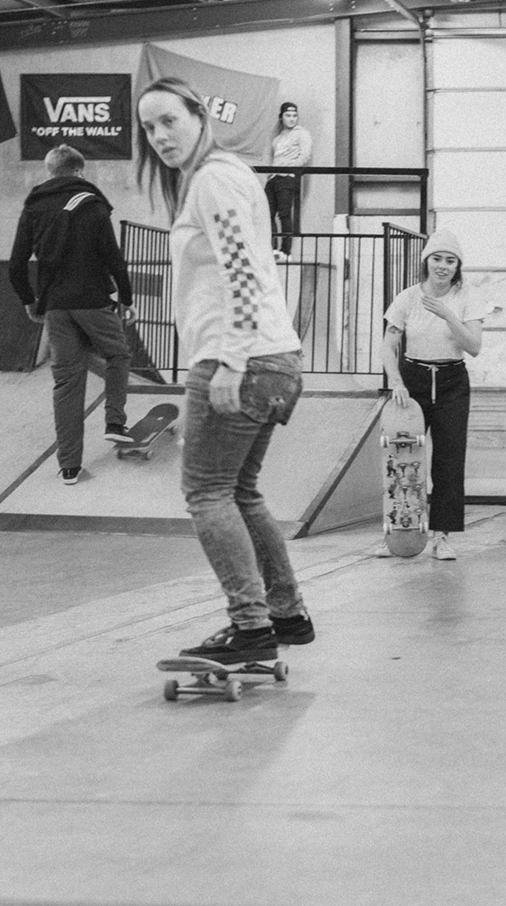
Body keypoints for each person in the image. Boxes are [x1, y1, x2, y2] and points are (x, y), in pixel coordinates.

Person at [136, 77, 313, 663]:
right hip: (273, 355)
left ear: (198, 116)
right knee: (238, 490)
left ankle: (250, 626)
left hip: (241, 356)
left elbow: (242, 270)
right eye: (149, 127)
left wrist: (232, 360)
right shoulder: (224, 176)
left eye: (169, 120)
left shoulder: (213, 177)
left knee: (205, 492)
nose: (160, 135)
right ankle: (284, 614)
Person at [8, 143, 139, 486]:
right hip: (93, 300)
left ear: (50, 172)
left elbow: (16, 263)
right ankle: (114, 423)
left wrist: (29, 299)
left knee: (67, 383)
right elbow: (113, 256)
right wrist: (125, 296)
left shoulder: (34, 206)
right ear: (79, 171)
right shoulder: (92, 204)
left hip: (56, 306)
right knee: (118, 354)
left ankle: (69, 467)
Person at [380, 228, 486, 560]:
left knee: (449, 460)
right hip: (414, 378)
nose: (442, 266)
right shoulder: (408, 297)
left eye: (450, 261)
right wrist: (396, 380)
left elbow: (474, 347)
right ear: (426, 261)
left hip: (452, 379)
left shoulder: (467, 295)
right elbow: (389, 344)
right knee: (403, 456)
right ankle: (401, 529)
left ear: (458, 266)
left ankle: (442, 535)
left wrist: (447, 315)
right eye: (437, 259)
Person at [265, 102, 312, 260]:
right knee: (267, 213)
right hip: (273, 177)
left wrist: (290, 166)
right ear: (281, 117)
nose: (292, 119)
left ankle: (286, 251)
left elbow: (305, 156)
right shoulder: (277, 139)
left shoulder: (302, 133)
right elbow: (276, 158)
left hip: (287, 177)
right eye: (288, 115)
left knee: (285, 214)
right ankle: (272, 248)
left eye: (294, 115)